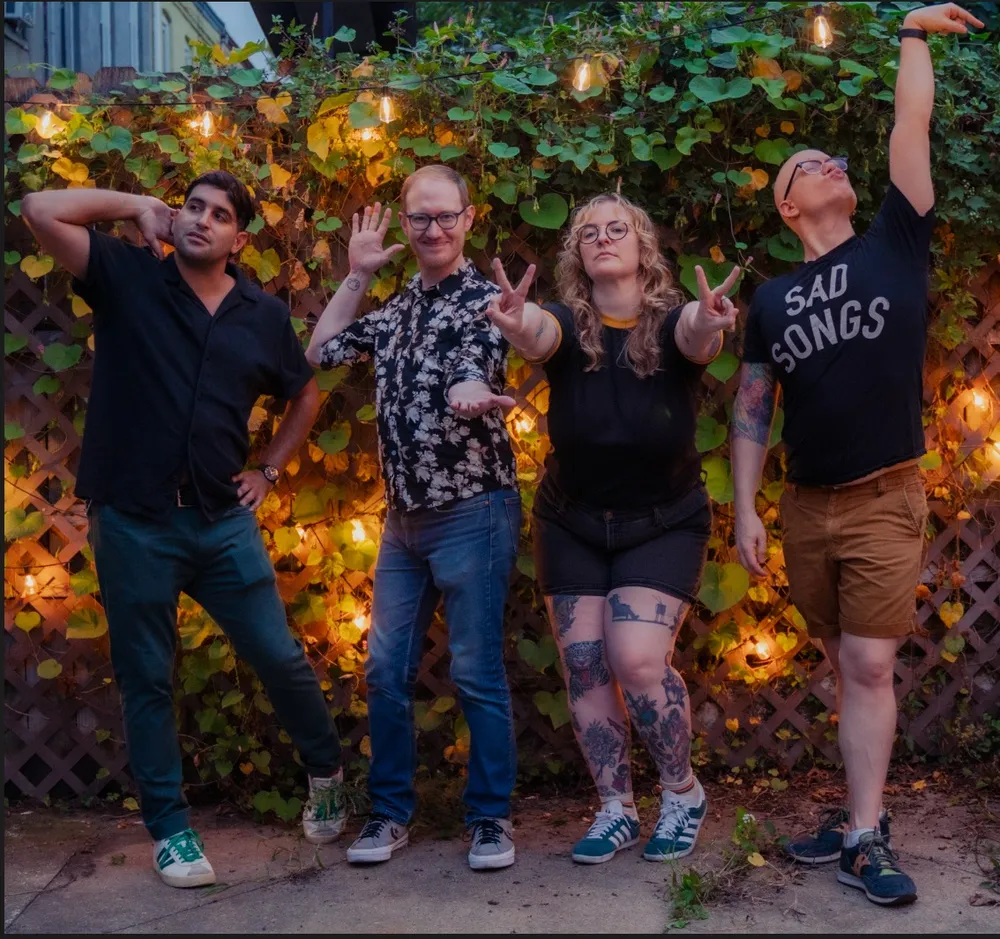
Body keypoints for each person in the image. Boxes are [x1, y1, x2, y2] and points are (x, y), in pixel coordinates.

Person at [21, 171, 348, 888]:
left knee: (279, 656)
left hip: (220, 523)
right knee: (146, 678)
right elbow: (39, 208)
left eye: (219, 214)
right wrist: (138, 205)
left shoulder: (262, 316)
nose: (201, 219)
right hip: (133, 522)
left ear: (239, 239)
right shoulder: (127, 276)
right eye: (193, 207)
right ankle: (171, 831)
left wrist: (269, 469)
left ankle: (327, 772)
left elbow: (304, 393)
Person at [730, 2, 983, 908]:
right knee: (848, 667)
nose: (830, 163)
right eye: (808, 165)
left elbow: (910, 122)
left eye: (833, 158)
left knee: (869, 668)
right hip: (807, 506)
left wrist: (910, 31)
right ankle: (855, 816)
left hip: (884, 495)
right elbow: (752, 407)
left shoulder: (895, 241)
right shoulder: (770, 301)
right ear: (788, 206)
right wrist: (745, 505)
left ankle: (865, 838)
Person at [486, 193, 740, 864]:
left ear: (642, 247)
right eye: (589, 232)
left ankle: (681, 793)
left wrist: (710, 319)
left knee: (637, 659)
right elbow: (538, 334)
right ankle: (616, 808)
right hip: (570, 519)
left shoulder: (669, 320)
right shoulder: (569, 323)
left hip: (663, 522)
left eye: (616, 229)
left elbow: (696, 335)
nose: (602, 238)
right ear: (577, 254)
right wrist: (516, 321)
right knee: (585, 664)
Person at [305, 165, 521, 870]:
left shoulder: (489, 302)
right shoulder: (396, 309)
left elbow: (474, 366)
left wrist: (470, 391)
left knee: (476, 672)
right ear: (404, 224)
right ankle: (390, 814)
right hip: (403, 522)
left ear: (469, 218)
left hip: (474, 510)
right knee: (383, 671)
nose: (433, 229)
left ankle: (489, 819)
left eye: (445, 216)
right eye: (420, 218)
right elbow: (320, 350)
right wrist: (358, 275)